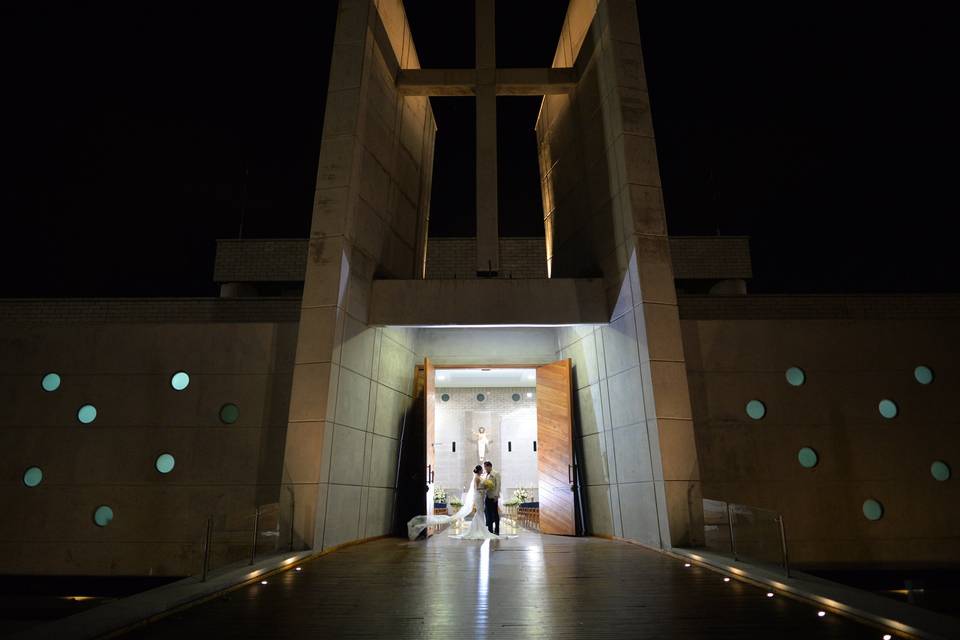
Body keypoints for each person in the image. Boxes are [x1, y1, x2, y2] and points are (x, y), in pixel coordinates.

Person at [453, 464, 500, 540]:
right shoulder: (477, 478)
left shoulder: (480, 477)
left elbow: (481, 487)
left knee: (480, 512)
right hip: (478, 496)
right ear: (479, 470)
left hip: (481, 496)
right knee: (480, 511)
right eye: (482, 469)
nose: (483, 470)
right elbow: (477, 488)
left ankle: (479, 528)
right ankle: (479, 529)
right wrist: (485, 488)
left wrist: (486, 487)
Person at [483, 460, 501, 535]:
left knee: (495, 513)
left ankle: (497, 529)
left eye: (486, 467)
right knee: (488, 513)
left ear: (490, 466)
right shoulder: (486, 475)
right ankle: (490, 530)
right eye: (484, 467)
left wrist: (496, 495)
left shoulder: (496, 473)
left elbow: (498, 485)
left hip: (494, 496)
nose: (485, 469)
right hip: (487, 495)